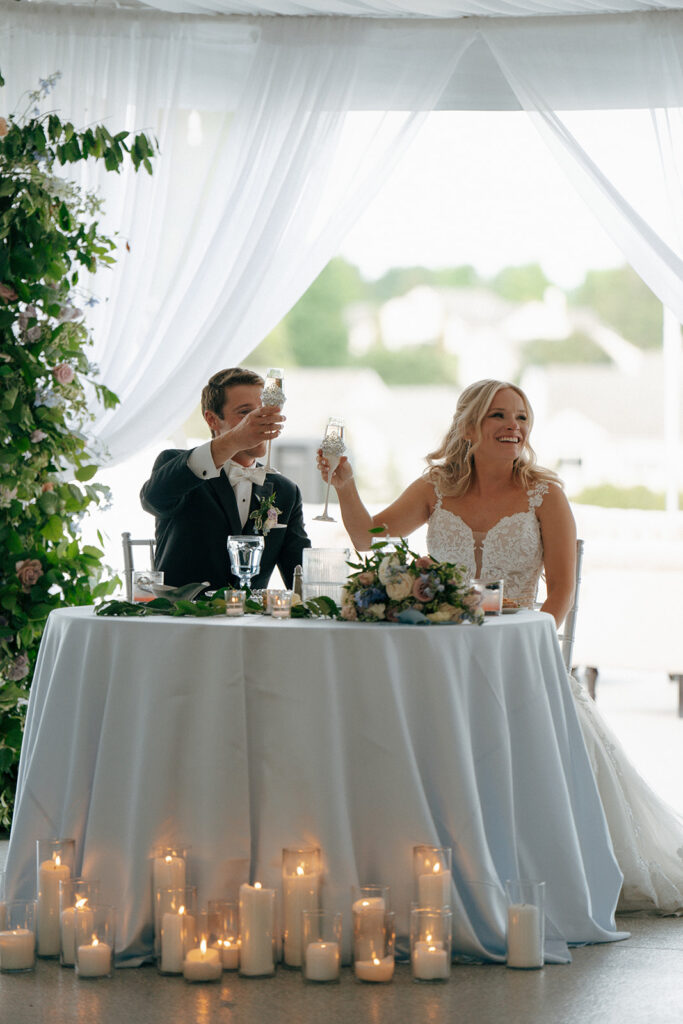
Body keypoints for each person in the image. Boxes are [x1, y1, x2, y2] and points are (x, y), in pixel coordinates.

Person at [319, 378, 683, 915]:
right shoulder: (436, 487)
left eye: (521, 417)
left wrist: (531, 643)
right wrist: (346, 486)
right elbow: (368, 538)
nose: (513, 426)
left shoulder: (544, 493)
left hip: (519, 652)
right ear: (469, 427)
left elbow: (560, 589)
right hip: (446, 657)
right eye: (499, 416)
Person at [141, 367, 310, 591]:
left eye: (263, 411)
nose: (260, 421)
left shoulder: (286, 490)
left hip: (252, 624)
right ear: (212, 419)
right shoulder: (181, 466)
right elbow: (153, 499)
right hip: (182, 620)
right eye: (245, 413)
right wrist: (236, 439)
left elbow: (300, 577)